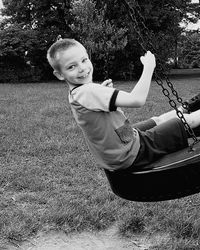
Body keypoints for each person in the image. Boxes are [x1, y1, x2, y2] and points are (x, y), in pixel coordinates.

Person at [47, 38, 200, 171]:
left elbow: (98, 116)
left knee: (158, 120)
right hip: (130, 153)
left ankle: (184, 108)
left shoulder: (76, 93)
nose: (82, 68)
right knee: (187, 122)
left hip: (119, 144)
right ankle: (188, 112)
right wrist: (148, 68)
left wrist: (104, 94)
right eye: (71, 67)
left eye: (84, 60)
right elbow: (137, 100)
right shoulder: (88, 91)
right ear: (60, 74)